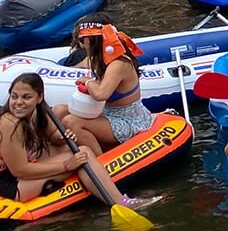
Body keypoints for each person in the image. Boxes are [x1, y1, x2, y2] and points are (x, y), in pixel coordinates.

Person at [0, 73, 134, 207]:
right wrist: (66, 165)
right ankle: (121, 202)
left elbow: (53, 137)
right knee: (82, 154)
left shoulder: (38, 114)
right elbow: (20, 170)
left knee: (72, 149)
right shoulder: (9, 123)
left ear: (39, 97)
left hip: (12, 174)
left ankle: (104, 182)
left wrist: (64, 137)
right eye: (14, 97)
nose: (18, 103)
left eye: (26, 97)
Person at [55, 21, 154, 153]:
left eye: (82, 39)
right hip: (106, 112)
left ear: (92, 40)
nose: (81, 44)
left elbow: (101, 94)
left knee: (71, 121)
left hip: (128, 120)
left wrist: (88, 82)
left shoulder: (118, 63)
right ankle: (55, 147)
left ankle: (99, 161)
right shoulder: (97, 59)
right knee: (59, 110)